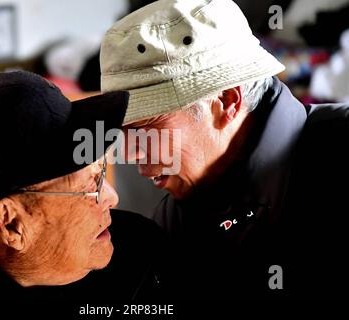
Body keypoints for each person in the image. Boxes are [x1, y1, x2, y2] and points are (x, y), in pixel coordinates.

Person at [100, 0, 349, 298]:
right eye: (122, 132)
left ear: (227, 101)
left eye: (144, 126)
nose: (131, 152)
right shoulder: (177, 220)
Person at [0, 71, 167, 301]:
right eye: (92, 184)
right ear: (10, 223)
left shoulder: (138, 250)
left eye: (101, 171)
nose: (113, 198)